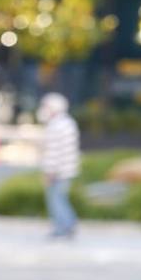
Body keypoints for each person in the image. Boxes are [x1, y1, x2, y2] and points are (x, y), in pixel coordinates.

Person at [37, 92, 79, 239]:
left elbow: (53, 152)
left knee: (56, 200)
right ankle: (68, 224)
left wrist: (49, 172)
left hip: (58, 171)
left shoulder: (56, 126)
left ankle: (63, 227)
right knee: (61, 198)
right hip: (66, 170)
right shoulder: (68, 122)